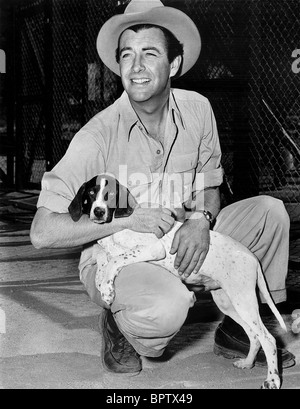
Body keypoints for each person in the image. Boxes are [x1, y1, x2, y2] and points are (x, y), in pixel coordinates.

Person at [30, 0, 295, 374]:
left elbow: (209, 185)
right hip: (120, 255)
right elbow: (42, 232)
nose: (136, 67)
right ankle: (119, 319)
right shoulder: (97, 135)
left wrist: (202, 218)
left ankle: (238, 327)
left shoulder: (199, 110)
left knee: (269, 213)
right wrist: (125, 222)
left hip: (185, 237)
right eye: (127, 55)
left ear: (172, 65)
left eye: (149, 53)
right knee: (164, 309)